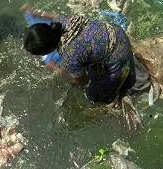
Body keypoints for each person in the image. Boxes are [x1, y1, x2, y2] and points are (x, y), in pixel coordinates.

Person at [21, 4, 149, 104]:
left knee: (93, 97)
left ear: (48, 50)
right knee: (89, 57)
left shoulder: (69, 55)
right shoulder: (64, 22)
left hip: (118, 57)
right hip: (118, 34)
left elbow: (82, 82)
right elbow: (52, 16)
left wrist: (56, 69)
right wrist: (36, 12)